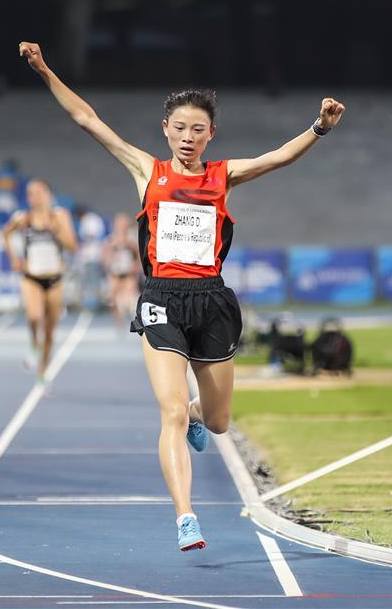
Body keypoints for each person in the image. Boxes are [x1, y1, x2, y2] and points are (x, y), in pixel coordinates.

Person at [19, 40, 344, 551]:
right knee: (169, 411)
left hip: (211, 301)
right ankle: (186, 517)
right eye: (180, 128)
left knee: (217, 421)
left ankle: (196, 415)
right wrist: (44, 69)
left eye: (198, 129)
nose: (188, 137)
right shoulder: (147, 171)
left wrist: (319, 127)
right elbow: (86, 119)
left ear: (210, 133)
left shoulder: (223, 176)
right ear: (165, 129)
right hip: (161, 299)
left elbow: (278, 157)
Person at [1, 179, 78, 386]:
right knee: (34, 316)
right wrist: (14, 259)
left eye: (39, 192)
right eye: (30, 193)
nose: (34, 197)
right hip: (31, 278)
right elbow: (5, 234)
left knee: (50, 332)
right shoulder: (23, 218)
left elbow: (72, 247)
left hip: (54, 279)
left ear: (48, 194)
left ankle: (42, 371)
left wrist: (57, 230)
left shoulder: (59, 216)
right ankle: (35, 342)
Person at [102, 212, 140, 330]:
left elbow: (138, 256)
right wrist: (110, 258)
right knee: (112, 299)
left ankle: (133, 320)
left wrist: (136, 268)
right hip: (115, 274)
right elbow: (105, 257)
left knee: (131, 300)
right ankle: (119, 323)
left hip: (128, 274)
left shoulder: (132, 240)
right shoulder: (111, 240)